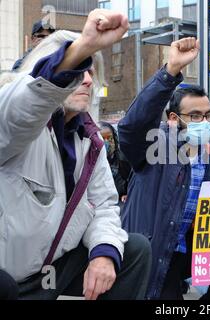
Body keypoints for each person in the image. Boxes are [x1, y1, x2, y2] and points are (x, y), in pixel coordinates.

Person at [0, 9, 151, 300]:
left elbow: (104, 205)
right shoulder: (16, 122)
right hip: (7, 278)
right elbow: (26, 104)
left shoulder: (89, 140)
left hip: (47, 274)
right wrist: (82, 48)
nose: (86, 80)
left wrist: (103, 253)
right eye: (76, 71)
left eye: (90, 71)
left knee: (133, 250)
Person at [118, 37, 210, 300]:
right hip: (149, 254)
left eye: (208, 115)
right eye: (196, 116)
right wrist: (170, 71)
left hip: (184, 254)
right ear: (174, 119)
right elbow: (132, 126)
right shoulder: (154, 146)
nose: (205, 122)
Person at [99, 121, 131, 205]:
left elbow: (132, 181)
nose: (107, 143)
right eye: (102, 139)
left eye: (110, 139)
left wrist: (128, 194)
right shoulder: (90, 163)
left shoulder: (123, 159)